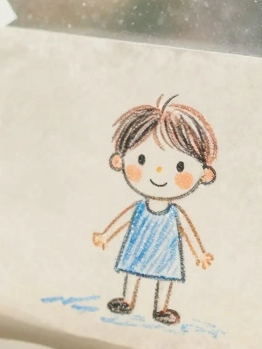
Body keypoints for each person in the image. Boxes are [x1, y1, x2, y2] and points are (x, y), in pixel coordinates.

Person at [92, 95, 218, 325]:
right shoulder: (139, 208)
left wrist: (199, 254)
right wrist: (106, 235)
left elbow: (188, 231)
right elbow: (122, 221)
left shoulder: (174, 213)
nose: (159, 172)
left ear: (205, 174)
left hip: (165, 250)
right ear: (119, 161)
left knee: (166, 276)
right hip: (139, 244)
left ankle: (161, 309)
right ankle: (127, 300)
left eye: (180, 166)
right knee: (132, 269)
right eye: (141, 159)